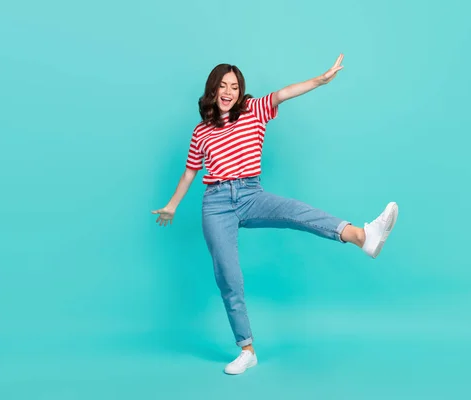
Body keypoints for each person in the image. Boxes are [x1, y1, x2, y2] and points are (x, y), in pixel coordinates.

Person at [152, 54, 399, 375]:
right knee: (228, 275)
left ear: (241, 92)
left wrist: (318, 81)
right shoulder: (201, 132)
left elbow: (283, 93)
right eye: (223, 86)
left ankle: (361, 236)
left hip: (250, 193)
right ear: (212, 91)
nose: (229, 91)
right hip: (215, 204)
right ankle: (247, 350)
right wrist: (172, 205)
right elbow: (189, 173)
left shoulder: (254, 110)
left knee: (297, 212)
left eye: (235, 86)